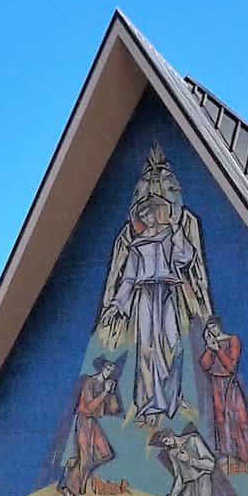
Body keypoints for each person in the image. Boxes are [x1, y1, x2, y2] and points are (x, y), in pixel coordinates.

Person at [97, 146, 212, 426]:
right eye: (144, 214)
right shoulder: (136, 244)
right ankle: (150, 405)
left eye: (152, 213)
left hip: (167, 292)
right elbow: (128, 279)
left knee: (174, 345)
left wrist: (174, 231)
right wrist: (116, 305)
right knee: (146, 350)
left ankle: (172, 397)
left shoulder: (170, 234)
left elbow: (186, 257)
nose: (148, 218)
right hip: (145, 296)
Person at [198, 316, 248, 473]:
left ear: (219, 326)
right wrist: (209, 348)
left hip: (230, 383)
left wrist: (218, 350)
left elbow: (231, 367)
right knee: (221, 420)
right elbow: (205, 365)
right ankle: (227, 454)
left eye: (214, 327)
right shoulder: (212, 345)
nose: (212, 330)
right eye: (209, 328)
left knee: (241, 419)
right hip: (216, 384)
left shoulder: (232, 340)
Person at [57, 357, 123, 496]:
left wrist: (111, 393)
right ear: (102, 368)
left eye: (112, 371)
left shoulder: (105, 385)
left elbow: (114, 409)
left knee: (106, 454)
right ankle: (69, 490)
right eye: (108, 369)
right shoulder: (90, 382)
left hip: (93, 422)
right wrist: (104, 393)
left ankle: (73, 466)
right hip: (84, 421)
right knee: (86, 459)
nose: (109, 373)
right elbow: (88, 408)